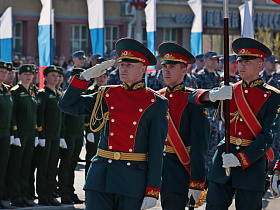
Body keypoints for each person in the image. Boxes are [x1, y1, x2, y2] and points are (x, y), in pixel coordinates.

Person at [58, 38, 169, 210]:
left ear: (143, 68)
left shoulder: (155, 102)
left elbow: (155, 149)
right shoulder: (107, 95)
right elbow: (67, 105)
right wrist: (84, 77)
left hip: (132, 179)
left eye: (130, 65)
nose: (123, 68)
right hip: (101, 176)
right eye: (122, 64)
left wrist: (152, 189)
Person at [188, 38, 280, 210]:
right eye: (239, 61)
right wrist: (213, 95)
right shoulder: (229, 90)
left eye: (247, 61)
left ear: (260, 65)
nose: (241, 65)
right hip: (223, 160)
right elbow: (192, 98)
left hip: (251, 164)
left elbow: (268, 136)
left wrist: (240, 159)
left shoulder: (272, 96)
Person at [157, 42, 210, 209]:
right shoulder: (156, 98)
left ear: (184, 70)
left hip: (180, 169)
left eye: (172, 66)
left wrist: (197, 181)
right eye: (164, 66)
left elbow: (200, 145)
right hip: (157, 169)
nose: (166, 70)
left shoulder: (193, 100)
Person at [8, 64, 37, 207]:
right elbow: (12, 114)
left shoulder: (31, 92)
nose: (28, 76)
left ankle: (24, 195)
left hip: (31, 134)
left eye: (30, 74)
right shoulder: (15, 91)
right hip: (20, 134)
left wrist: (37, 133)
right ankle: (16, 195)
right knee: (16, 166)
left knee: (27, 166)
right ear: (19, 76)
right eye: (25, 74)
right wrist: (15, 133)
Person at [58, 68, 85, 205]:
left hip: (78, 134)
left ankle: (71, 191)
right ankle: (64, 193)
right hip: (68, 134)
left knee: (73, 164)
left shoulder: (84, 95)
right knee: (66, 164)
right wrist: (62, 135)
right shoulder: (67, 95)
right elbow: (62, 118)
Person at [36, 65, 62, 206]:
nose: (56, 78)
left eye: (57, 76)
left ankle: (51, 192)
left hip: (56, 136)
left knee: (53, 166)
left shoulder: (58, 93)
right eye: (53, 75)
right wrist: (40, 135)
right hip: (45, 136)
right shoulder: (42, 94)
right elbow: (40, 116)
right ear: (45, 77)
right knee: (43, 167)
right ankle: (42, 195)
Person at [196, 51, 224, 171]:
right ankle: (204, 175)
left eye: (215, 59)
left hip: (218, 118)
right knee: (204, 146)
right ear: (205, 61)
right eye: (211, 59)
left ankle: (212, 171)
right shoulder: (199, 76)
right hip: (206, 116)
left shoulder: (220, 77)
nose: (214, 61)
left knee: (216, 146)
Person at [83, 70, 109, 177]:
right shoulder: (90, 92)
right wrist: (88, 131)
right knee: (91, 157)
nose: (101, 79)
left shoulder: (109, 91)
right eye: (99, 76)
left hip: (105, 130)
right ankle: (88, 182)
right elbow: (86, 114)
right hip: (94, 130)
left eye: (104, 77)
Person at [0, 61, 13, 209]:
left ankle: (2, 196)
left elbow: (11, 114)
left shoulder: (7, 89)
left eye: (5, 72)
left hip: (5, 133)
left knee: (3, 166)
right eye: (1, 72)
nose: (4, 74)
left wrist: (12, 132)